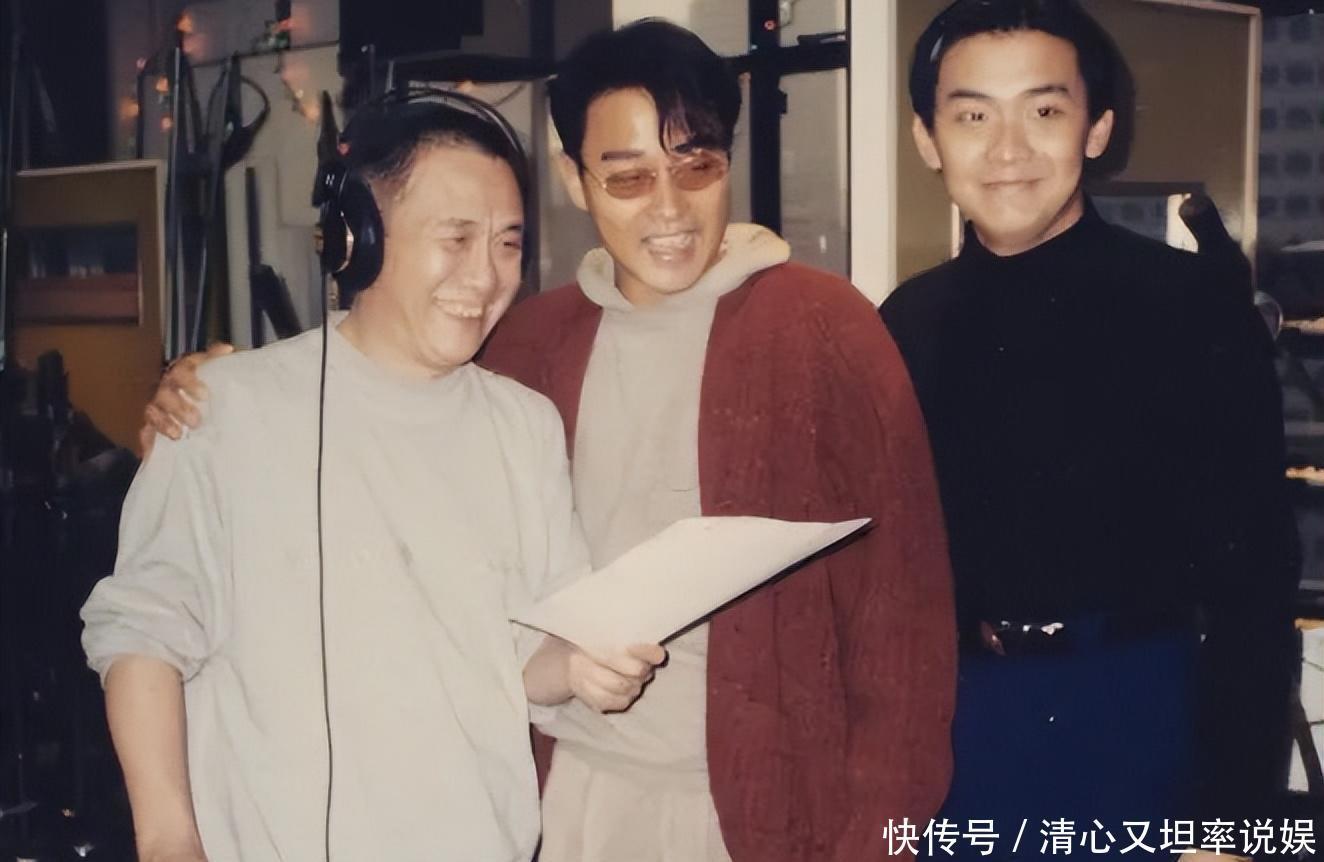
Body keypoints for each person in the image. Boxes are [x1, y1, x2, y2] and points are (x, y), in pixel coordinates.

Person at [141, 19, 957, 862]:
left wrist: (880, 840)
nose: (669, 208)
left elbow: (904, 627)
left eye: (697, 167)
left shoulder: (826, 329)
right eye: (628, 176)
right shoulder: (524, 343)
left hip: (763, 814)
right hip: (565, 800)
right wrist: (198, 396)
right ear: (574, 179)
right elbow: (380, 403)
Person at [81, 94, 663, 862]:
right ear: (358, 239)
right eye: (455, 238)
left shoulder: (525, 427)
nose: (485, 276)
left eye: (507, 243)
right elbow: (142, 634)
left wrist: (583, 667)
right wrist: (167, 840)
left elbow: (525, 659)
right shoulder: (224, 409)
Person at [880, 0, 1298, 850]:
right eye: (972, 116)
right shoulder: (905, 322)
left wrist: (1230, 825)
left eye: (1044, 110)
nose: (1008, 150)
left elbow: (1256, 585)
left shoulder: (1190, 309)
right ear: (927, 139)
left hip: (1139, 709)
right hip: (955, 721)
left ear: (1097, 128)